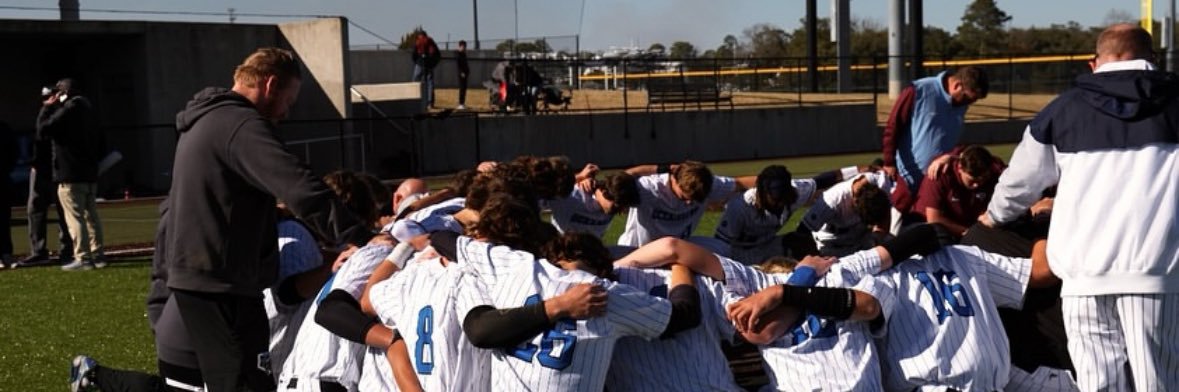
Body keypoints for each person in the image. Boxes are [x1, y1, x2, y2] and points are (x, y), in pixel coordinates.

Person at [982, 24, 1179, 391]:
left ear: (1093, 62)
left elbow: (1019, 182)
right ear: (1152, 59)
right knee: (1158, 383)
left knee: (1096, 384)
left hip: (1081, 276)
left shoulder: (1062, 110)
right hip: (1156, 272)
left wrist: (994, 216)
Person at [164, 47, 372, 391]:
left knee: (241, 379)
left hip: (207, 279)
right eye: (288, 100)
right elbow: (299, 185)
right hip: (220, 284)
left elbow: (223, 201)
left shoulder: (208, 120)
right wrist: (362, 237)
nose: (286, 112)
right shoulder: (241, 124)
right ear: (271, 85)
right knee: (244, 382)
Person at [882, 66, 989, 197]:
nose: (969, 103)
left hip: (936, 183)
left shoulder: (961, 105)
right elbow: (893, 126)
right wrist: (889, 162)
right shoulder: (918, 90)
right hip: (906, 180)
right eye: (968, 98)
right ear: (957, 86)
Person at [36, 78, 105, 271]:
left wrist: (47, 108)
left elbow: (43, 130)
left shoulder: (68, 110)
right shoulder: (90, 110)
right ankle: (98, 254)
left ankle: (83, 257)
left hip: (70, 173)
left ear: (63, 93)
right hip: (89, 172)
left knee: (75, 217)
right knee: (91, 216)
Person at [914, 145, 1004, 239]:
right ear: (960, 168)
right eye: (972, 181)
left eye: (982, 180)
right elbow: (934, 219)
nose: (976, 185)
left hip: (974, 228)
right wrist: (969, 233)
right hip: (938, 231)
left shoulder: (994, 171)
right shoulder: (940, 174)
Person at [412, 29, 441, 111]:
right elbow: (437, 54)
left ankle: (415, 100)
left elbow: (414, 54)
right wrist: (433, 64)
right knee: (430, 83)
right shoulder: (430, 41)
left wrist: (417, 61)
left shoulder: (418, 42)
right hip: (429, 65)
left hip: (419, 64)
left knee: (415, 81)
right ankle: (430, 103)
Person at [0, 121, 16, 267]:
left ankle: (5, 254)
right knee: (4, 220)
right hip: (3, 178)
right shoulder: (5, 129)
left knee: (4, 219)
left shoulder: (4, 129)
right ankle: (6, 254)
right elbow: (13, 154)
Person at [456, 40, 470, 110]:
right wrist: (461, 72)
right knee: (462, 89)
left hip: (465, 74)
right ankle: (460, 103)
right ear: (460, 46)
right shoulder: (458, 54)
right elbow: (459, 65)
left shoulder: (464, 54)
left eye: (465, 47)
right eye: (463, 46)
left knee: (464, 89)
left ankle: (463, 103)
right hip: (461, 74)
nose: (464, 48)